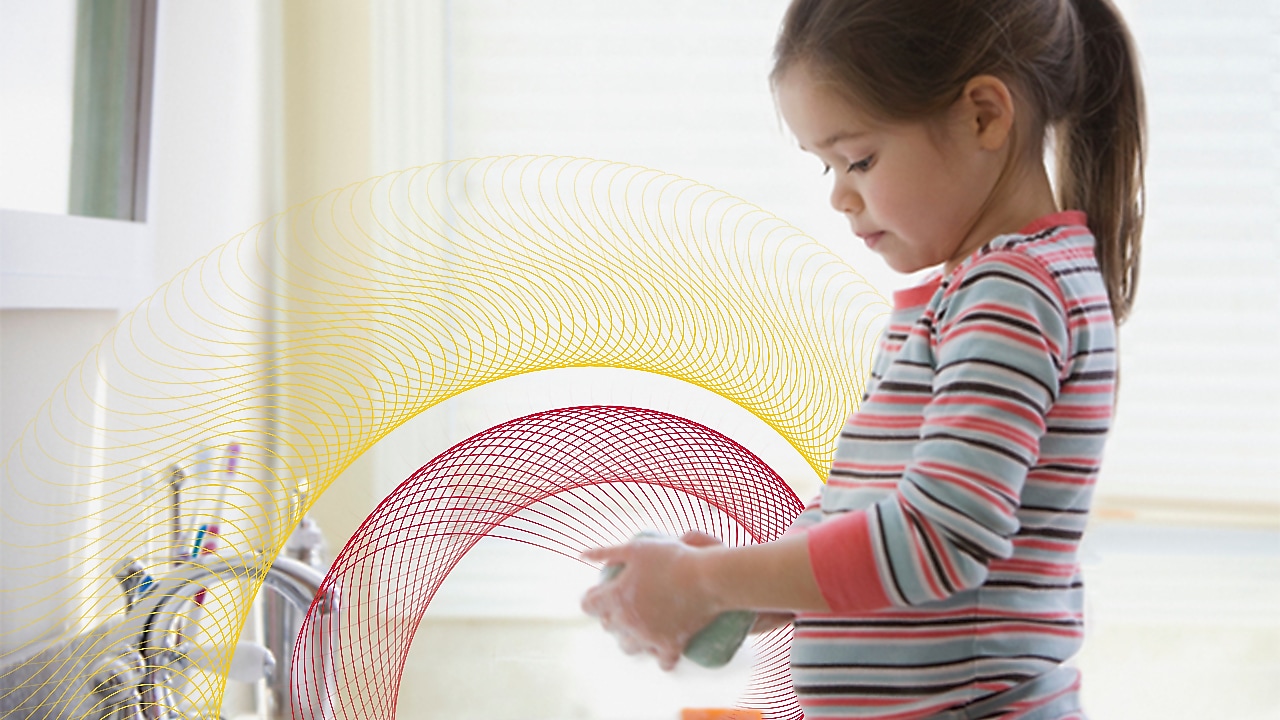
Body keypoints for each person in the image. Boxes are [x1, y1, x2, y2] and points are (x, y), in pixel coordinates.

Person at [580, 0, 1144, 716]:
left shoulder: (1010, 292)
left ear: (983, 116)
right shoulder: (970, 296)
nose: (842, 197)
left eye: (860, 159)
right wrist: (744, 590)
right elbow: (868, 509)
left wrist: (711, 582)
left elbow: (935, 539)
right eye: (827, 168)